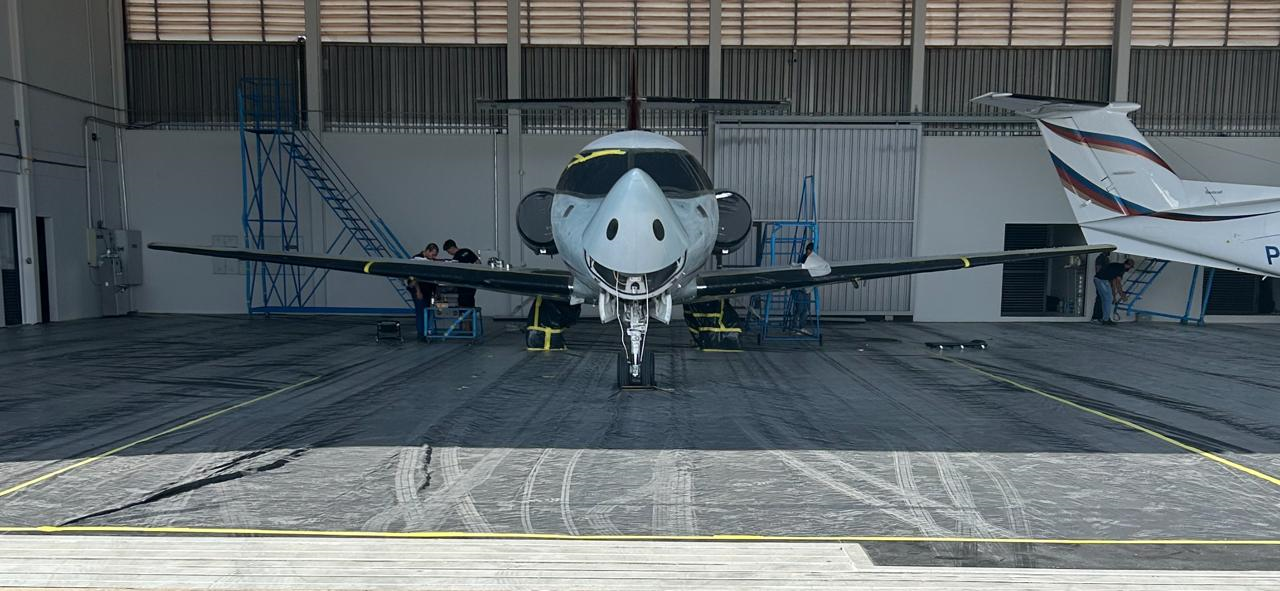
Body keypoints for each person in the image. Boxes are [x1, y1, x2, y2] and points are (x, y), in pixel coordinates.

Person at [408, 243, 439, 341]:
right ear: (428, 251)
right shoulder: (417, 259)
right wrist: (418, 291)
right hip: (419, 290)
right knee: (421, 312)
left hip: (427, 290)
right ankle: (421, 334)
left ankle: (425, 332)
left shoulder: (430, 261)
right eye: (433, 255)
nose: (433, 257)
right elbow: (413, 277)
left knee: (427, 311)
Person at [1093, 258, 1134, 326]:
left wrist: (1114, 297)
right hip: (1102, 280)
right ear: (1128, 265)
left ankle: (1104, 318)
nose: (1129, 269)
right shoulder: (1121, 269)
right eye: (1130, 267)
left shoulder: (1117, 266)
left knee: (1105, 299)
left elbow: (1113, 283)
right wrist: (1123, 296)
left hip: (1098, 279)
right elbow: (1118, 283)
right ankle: (1106, 320)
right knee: (1108, 300)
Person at [443, 239, 480, 308]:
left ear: (451, 248)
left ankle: (465, 316)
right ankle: (471, 316)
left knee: (463, 300)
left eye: (448, 251)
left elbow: (455, 272)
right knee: (470, 299)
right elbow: (478, 262)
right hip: (473, 282)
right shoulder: (467, 251)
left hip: (463, 283)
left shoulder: (456, 258)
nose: (449, 253)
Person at [1090, 252, 1111, 322]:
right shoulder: (1101, 258)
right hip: (1101, 279)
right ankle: (1097, 316)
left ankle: (1099, 316)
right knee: (1101, 298)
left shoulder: (1105, 258)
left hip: (1103, 279)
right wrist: (1100, 277)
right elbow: (1098, 269)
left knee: (1101, 298)